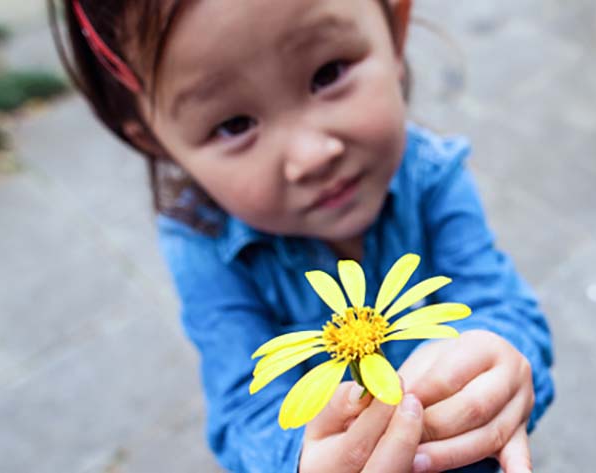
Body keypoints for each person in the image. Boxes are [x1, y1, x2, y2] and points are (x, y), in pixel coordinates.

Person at [49, 0, 555, 471]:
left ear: (396, 27)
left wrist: (499, 360)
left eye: (328, 73)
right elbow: (244, 410)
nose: (312, 155)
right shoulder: (202, 247)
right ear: (158, 141)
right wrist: (303, 458)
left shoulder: (432, 176)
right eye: (234, 124)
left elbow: (504, 309)